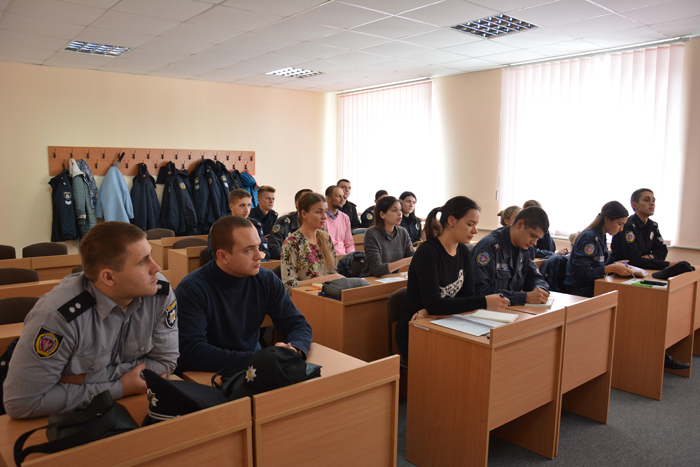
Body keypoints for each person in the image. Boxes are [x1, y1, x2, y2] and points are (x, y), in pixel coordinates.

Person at [3, 222, 178, 419]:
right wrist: (120, 387)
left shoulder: (159, 292)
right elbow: (22, 403)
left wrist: (85, 378)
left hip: (137, 405)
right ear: (109, 277)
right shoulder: (58, 317)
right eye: (143, 261)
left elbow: (166, 362)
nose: (157, 268)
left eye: (151, 255)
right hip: (76, 420)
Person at [176, 216, 312, 373]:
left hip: (255, 367)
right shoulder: (191, 290)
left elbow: (297, 324)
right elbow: (193, 352)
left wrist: (294, 350)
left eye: (258, 247)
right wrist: (260, 360)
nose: (259, 255)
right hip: (209, 374)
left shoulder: (266, 279)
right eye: (248, 250)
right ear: (223, 256)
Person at [395, 196, 510, 359]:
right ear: (451, 221)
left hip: (446, 321)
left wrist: (440, 312)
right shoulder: (428, 252)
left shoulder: (463, 251)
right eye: (470, 224)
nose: (475, 231)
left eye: (476, 225)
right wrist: (484, 302)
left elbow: (467, 295)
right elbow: (434, 304)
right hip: (416, 329)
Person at [472, 206, 552, 305]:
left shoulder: (524, 248)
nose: (535, 243)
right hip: (486, 311)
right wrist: (523, 297)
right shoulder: (490, 246)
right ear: (520, 224)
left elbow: (534, 277)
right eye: (533, 236)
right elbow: (480, 291)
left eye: (538, 239)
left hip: (510, 310)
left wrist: (539, 290)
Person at [565, 201, 633, 298]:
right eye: (619, 224)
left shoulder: (601, 236)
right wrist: (611, 268)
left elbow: (596, 265)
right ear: (607, 219)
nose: (621, 229)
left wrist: (614, 265)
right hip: (580, 291)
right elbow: (580, 272)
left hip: (592, 287)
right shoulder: (589, 237)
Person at [281, 192, 344, 292]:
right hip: (305, 296)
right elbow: (288, 285)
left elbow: (333, 273)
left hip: (327, 294)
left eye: (325, 211)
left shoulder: (326, 238)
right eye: (319, 212)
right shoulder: (292, 242)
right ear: (304, 214)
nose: (324, 216)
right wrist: (319, 280)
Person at [611, 188, 677, 270]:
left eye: (653, 201)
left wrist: (650, 257)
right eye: (646, 200)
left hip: (646, 269)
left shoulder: (653, 225)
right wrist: (668, 264)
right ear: (635, 205)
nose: (652, 204)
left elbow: (662, 250)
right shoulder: (627, 226)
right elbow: (633, 261)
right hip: (625, 272)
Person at [360, 196, 414, 277]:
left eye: (400, 210)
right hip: (371, 280)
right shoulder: (371, 234)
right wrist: (406, 261)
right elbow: (377, 269)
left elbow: (413, 257)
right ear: (382, 214)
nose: (400, 214)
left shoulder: (402, 232)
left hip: (392, 279)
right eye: (394, 210)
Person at [268, 188, 312, 260]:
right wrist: (302, 254)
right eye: (307, 201)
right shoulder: (283, 223)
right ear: (297, 204)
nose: (311, 204)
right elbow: (274, 250)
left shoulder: (317, 224)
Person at [227, 188, 268, 260]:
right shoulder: (221, 226)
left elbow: (265, 249)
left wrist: (263, 253)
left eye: (249, 205)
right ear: (231, 207)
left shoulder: (255, 224)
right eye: (242, 205)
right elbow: (214, 255)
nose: (247, 210)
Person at [324, 185, 355, 255]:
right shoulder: (321, 217)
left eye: (343, 196)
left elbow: (349, 243)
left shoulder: (345, 217)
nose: (342, 199)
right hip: (328, 257)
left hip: (344, 257)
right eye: (338, 196)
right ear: (328, 198)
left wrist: (349, 257)